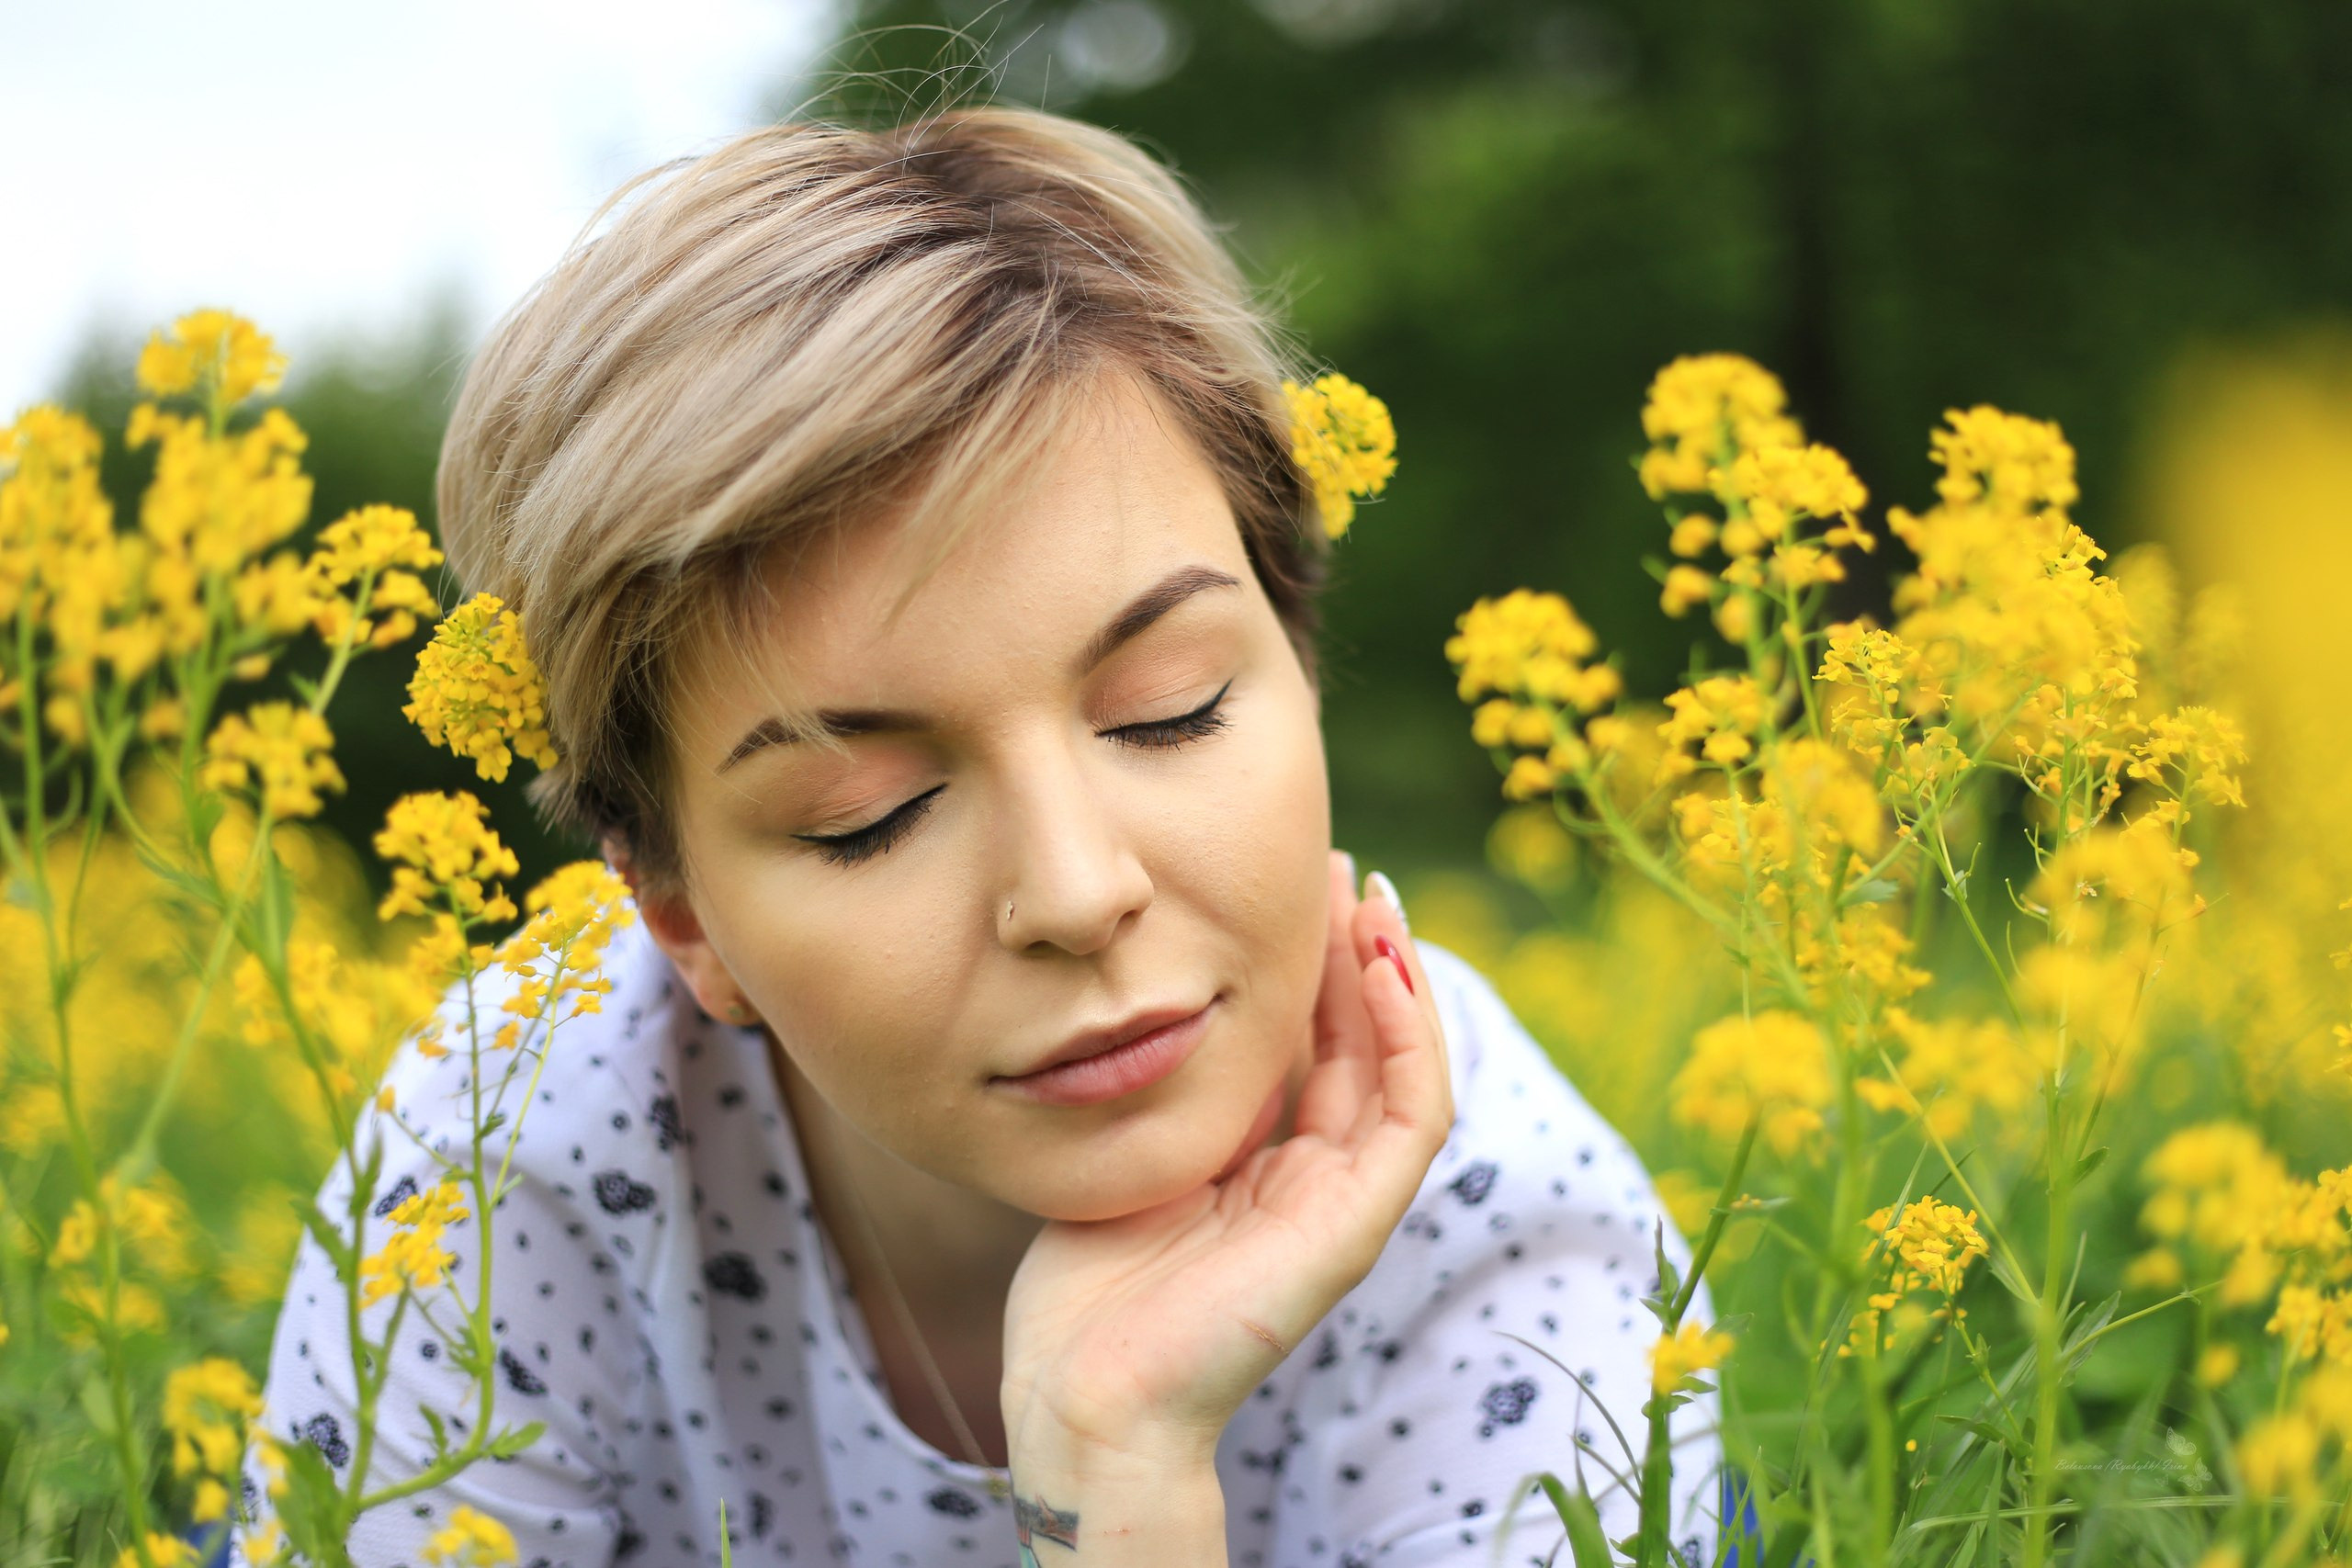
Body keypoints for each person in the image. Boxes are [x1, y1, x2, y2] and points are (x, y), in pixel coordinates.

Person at [240, 104, 1720, 1567]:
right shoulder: (504, 1165)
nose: (1077, 892)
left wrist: (1117, 1470)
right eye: (865, 819)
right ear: (679, 913)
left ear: (1300, 667)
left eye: (1169, 711)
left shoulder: (1518, 1232)